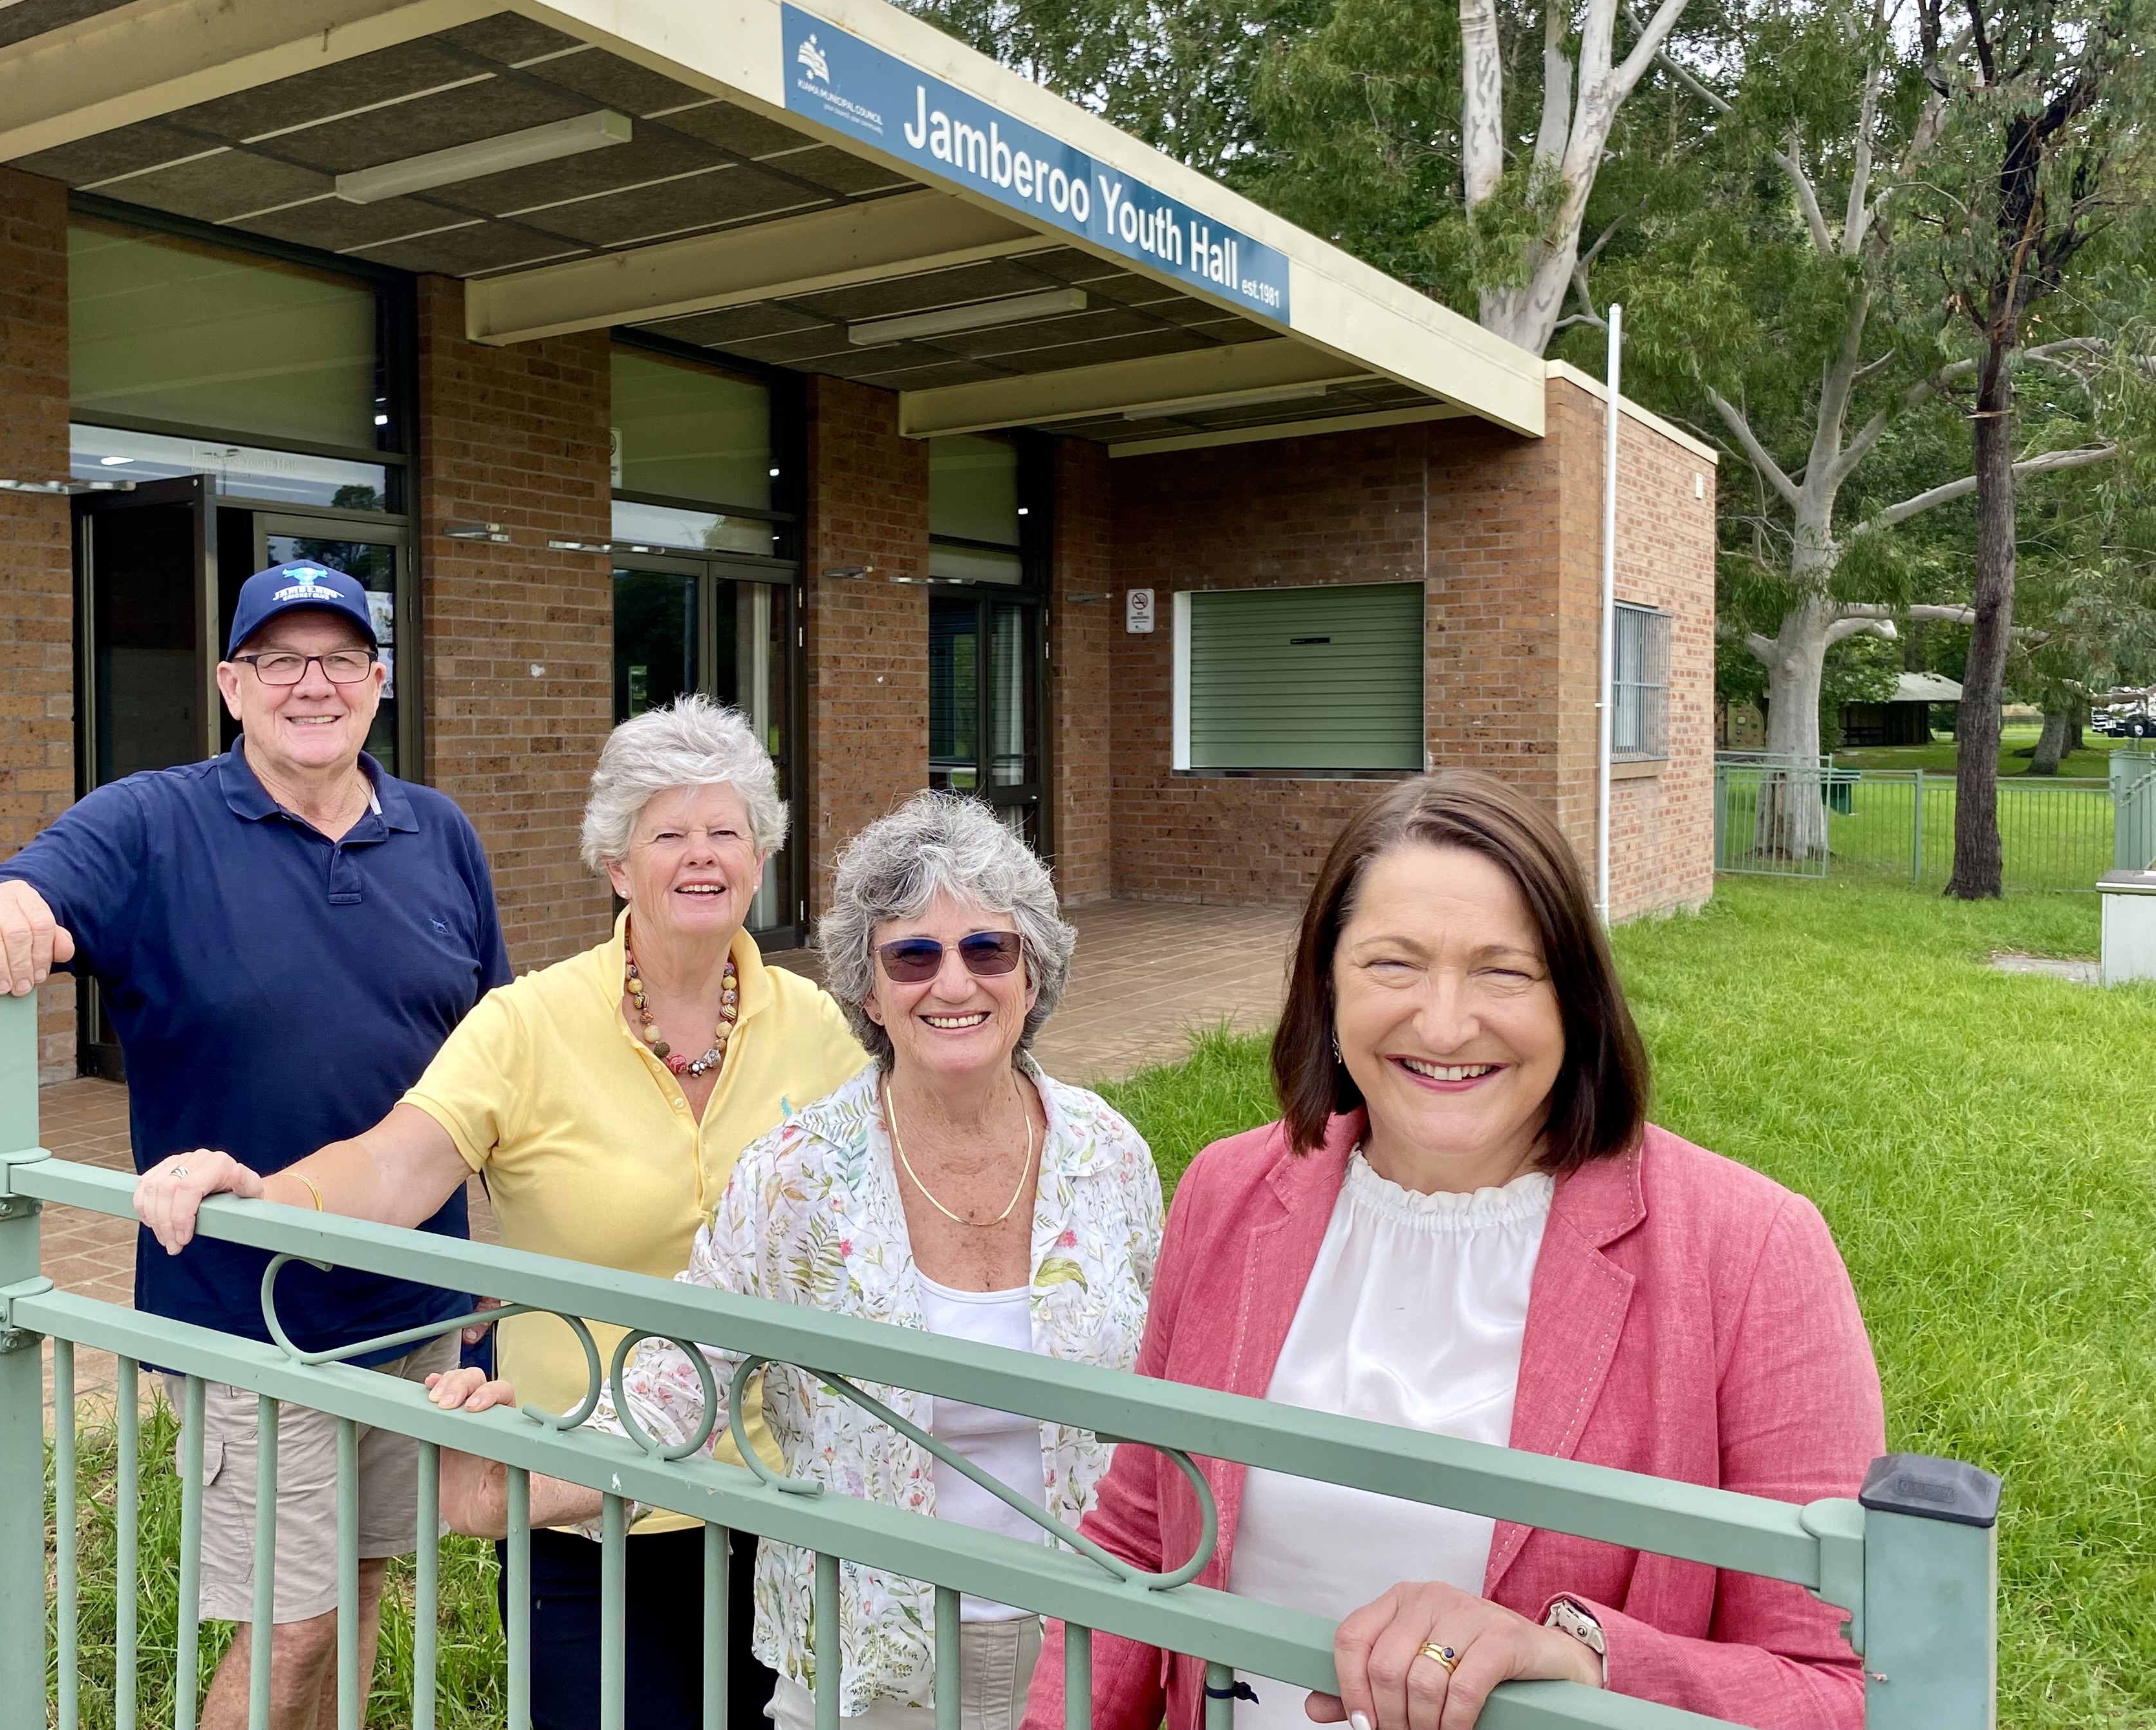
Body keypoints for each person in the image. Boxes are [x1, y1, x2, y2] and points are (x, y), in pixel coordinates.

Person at [1022, 770, 1886, 1730]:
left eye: (1503, 970)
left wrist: (1584, 1661)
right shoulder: (1227, 1193)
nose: (1442, 1023)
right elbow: (1143, 1532)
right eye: (1393, 965)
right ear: (1327, 986)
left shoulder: (1751, 1250)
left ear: (1577, 1001)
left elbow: (1842, 1688)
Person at [133, 695, 870, 1730]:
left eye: (726, 831)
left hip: (783, 1499)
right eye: (668, 834)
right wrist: (269, 1195)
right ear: (617, 864)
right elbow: (397, 1163)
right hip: (584, 1503)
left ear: (761, 856)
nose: (700, 857)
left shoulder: (820, 1030)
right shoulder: (529, 1023)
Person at [0, 561, 506, 1730]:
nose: (312, 685)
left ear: (378, 682)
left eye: (340, 658)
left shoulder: (440, 833)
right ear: (233, 685)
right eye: (280, 660)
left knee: (364, 1577)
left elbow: (497, 1066)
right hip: (250, 1312)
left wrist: (492, 1280)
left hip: (421, 1304)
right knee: (290, 1626)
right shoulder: (150, 825)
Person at [422, 791, 1165, 1730]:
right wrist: (528, 1464)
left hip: (1083, 1632)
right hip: (865, 1650)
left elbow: (1168, 1384)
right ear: (868, 988)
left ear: (1033, 972)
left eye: (988, 949)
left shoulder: (1108, 1154)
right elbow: (684, 1378)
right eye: (913, 955)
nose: (954, 984)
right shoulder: (801, 1172)